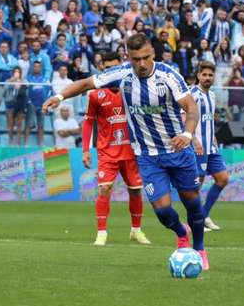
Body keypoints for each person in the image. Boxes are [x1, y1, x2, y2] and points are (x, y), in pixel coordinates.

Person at [43, 33, 209, 270]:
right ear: (128, 57)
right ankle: (182, 232)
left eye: (145, 58)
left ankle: (200, 249)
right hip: (148, 156)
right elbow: (86, 84)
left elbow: (191, 108)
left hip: (178, 150)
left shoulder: (169, 75)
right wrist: (59, 96)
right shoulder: (121, 74)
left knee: (192, 203)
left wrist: (187, 134)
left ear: (153, 52)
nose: (141, 64)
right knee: (162, 211)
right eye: (135, 59)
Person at [80, 51, 149, 246]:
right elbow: (88, 122)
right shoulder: (95, 94)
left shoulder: (132, 89)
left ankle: (136, 230)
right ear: (103, 68)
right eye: (107, 67)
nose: (111, 70)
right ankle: (101, 233)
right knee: (104, 188)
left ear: (120, 67)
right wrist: (86, 150)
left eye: (114, 66)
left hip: (131, 150)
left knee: (136, 191)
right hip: (107, 151)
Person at [191, 61, 229, 232]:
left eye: (210, 75)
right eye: (204, 75)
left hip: (210, 146)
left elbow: (208, 117)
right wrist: (193, 138)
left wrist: (212, 135)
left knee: (223, 179)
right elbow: (185, 117)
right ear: (198, 75)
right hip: (198, 145)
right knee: (196, 185)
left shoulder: (212, 95)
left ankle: (203, 215)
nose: (207, 78)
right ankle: (195, 221)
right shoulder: (193, 94)